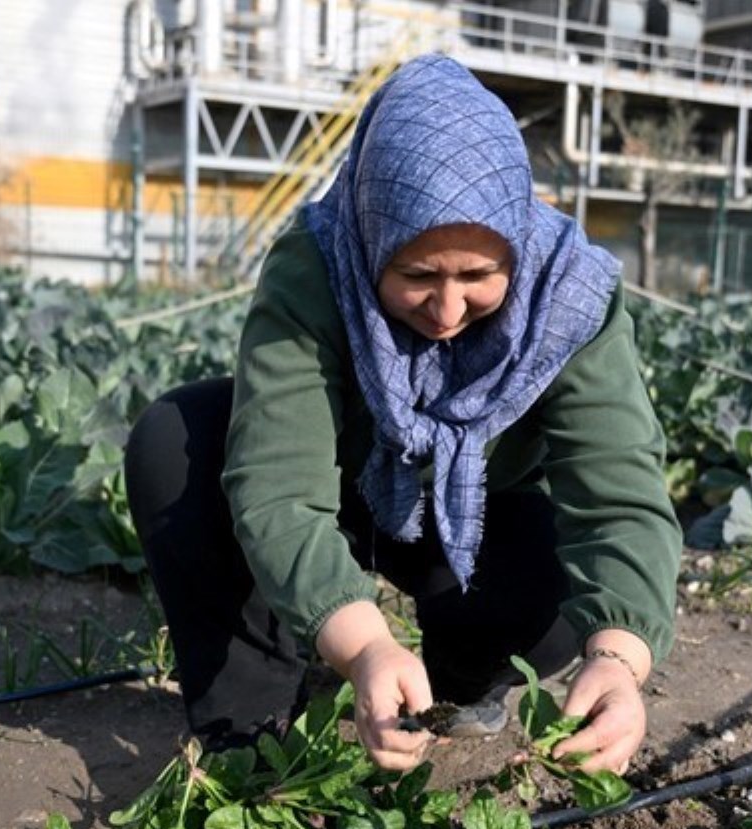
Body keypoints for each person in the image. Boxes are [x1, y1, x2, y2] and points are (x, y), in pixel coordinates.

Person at [125, 54, 680, 775]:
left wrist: (618, 660)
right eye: (417, 275)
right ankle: (251, 728)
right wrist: (363, 645)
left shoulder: (567, 298)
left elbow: (620, 498)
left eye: (480, 277)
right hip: (340, 490)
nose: (448, 311)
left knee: (551, 570)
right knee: (175, 443)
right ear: (372, 239)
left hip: (473, 521)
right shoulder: (318, 267)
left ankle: (458, 683)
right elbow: (278, 489)